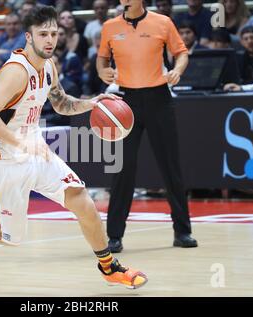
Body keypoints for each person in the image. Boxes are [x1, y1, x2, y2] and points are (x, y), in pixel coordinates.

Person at [0, 5, 148, 289]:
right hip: (4, 162)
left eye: (54, 33)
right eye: (43, 34)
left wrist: (91, 104)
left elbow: (60, 102)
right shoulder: (15, 72)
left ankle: (109, 268)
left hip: (36, 149)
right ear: (28, 37)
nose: (50, 40)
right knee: (6, 237)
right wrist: (19, 142)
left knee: (82, 201)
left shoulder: (48, 65)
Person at [97, 0, 197, 252]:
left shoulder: (162, 22)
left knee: (170, 166)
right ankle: (114, 236)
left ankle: (182, 232)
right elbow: (102, 60)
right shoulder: (110, 27)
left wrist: (178, 70)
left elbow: (182, 52)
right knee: (123, 169)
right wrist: (103, 72)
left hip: (159, 99)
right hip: (127, 101)